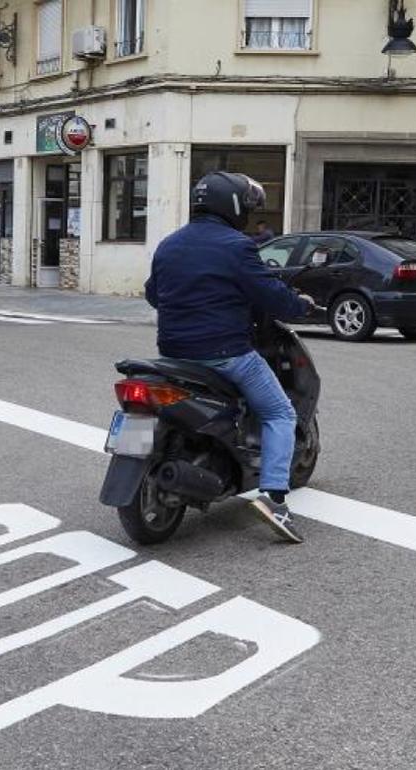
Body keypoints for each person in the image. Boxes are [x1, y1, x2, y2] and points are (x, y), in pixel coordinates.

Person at [144, 172, 313, 544]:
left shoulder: (168, 245)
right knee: (280, 413)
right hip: (226, 354)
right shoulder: (237, 246)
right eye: (247, 209)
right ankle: (274, 500)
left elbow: (154, 295)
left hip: (173, 354)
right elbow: (270, 295)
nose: (249, 218)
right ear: (233, 206)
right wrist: (299, 305)